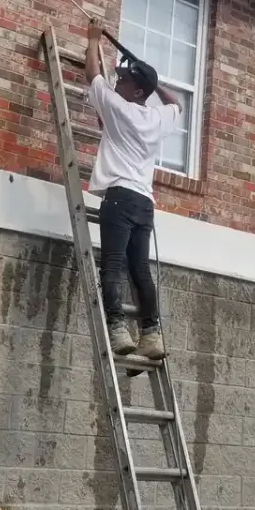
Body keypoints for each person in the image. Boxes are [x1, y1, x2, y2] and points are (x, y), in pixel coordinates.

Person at [84, 21, 182, 359]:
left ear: (138, 92)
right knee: (139, 269)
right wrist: (149, 78)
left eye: (125, 80)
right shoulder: (157, 118)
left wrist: (93, 39)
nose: (118, 81)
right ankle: (152, 335)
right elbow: (176, 103)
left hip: (120, 198)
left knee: (112, 265)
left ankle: (118, 330)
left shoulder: (118, 108)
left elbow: (93, 75)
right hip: (144, 203)